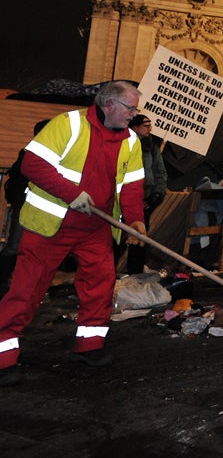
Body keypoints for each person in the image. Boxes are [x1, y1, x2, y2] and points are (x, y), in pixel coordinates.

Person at [0, 81, 146, 384]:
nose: (135, 114)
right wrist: (71, 193)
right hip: (52, 225)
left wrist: (135, 221)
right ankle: (3, 355)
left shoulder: (131, 141)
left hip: (95, 228)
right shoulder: (68, 125)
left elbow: (132, 187)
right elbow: (32, 164)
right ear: (109, 105)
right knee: (27, 290)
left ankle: (90, 344)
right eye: (130, 108)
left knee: (100, 284)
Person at [1, 120, 50, 294]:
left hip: (34, 206)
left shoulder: (32, 151)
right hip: (27, 205)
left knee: (23, 247)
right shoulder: (33, 152)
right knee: (16, 246)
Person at [122, 114, 168, 275]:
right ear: (135, 128)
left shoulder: (151, 147)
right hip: (122, 200)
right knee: (118, 239)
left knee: (139, 239)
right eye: (146, 126)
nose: (150, 129)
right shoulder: (123, 144)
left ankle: (135, 273)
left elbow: (160, 173)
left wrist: (156, 195)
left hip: (144, 200)